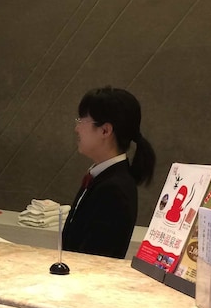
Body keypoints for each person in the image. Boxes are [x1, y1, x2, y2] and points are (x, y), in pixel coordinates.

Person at [61, 86, 156, 258]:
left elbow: (94, 259)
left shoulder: (114, 189)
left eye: (82, 121)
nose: (77, 128)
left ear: (105, 130)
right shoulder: (102, 176)